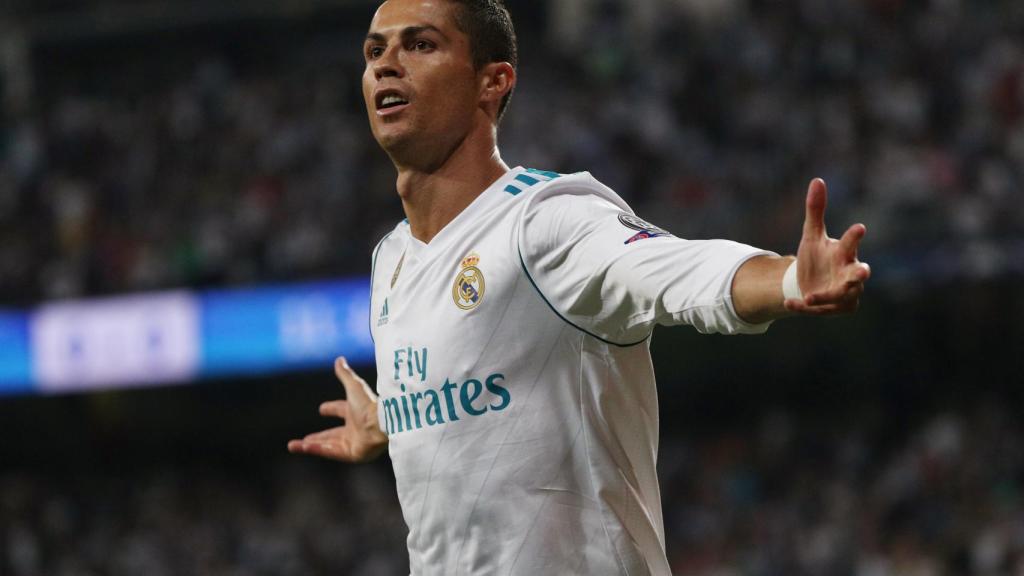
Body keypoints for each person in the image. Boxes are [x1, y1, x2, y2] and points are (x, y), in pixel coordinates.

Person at [287, 0, 871, 574]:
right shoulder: (391, 258)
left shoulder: (544, 221)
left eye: (420, 44)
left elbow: (676, 271)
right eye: (374, 50)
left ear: (493, 82)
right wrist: (389, 419)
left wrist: (791, 276)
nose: (386, 63)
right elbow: (483, 381)